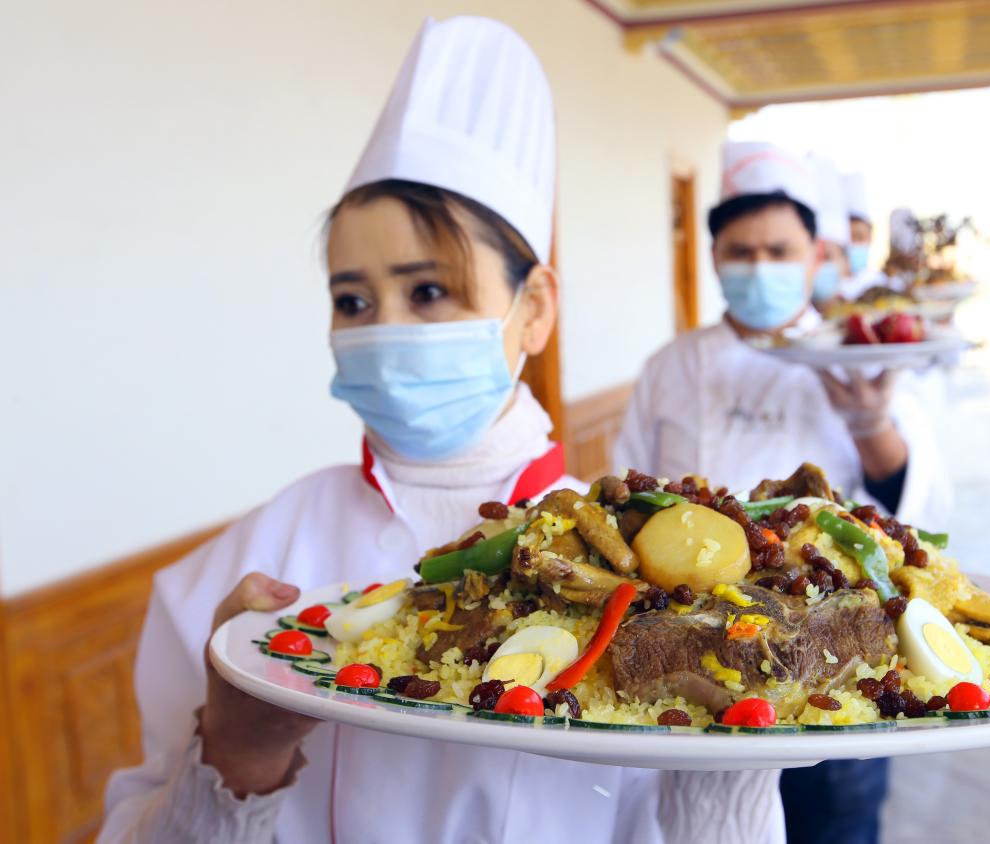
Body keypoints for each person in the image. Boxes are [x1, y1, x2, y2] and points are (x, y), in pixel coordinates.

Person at [100, 18, 783, 844]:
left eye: (428, 292)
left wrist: (735, 756)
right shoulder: (251, 570)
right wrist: (239, 751)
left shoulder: (652, 584)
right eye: (353, 300)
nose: (385, 328)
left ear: (533, 309)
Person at [613, 141, 953, 844]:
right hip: (694, 663)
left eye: (778, 250)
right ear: (714, 256)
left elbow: (912, 499)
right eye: (741, 251)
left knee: (838, 821)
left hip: (838, 656)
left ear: (815, 256)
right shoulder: (670, 367)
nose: (759, 265)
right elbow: (625, 500)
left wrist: (870, 420)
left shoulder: (860, 356)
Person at [806, 153, 853, 311]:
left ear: (845, 262)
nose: (818, 266)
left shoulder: (860, 314)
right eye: (814, 257)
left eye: (826, 256)